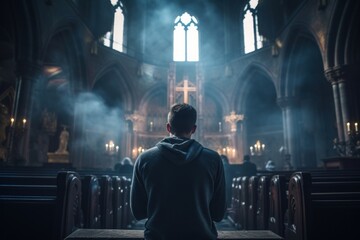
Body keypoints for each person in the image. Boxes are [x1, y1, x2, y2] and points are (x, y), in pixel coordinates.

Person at [131, 103, 226, 240]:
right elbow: (218, 213)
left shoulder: (144, 159)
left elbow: (138, 212)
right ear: (193, 129)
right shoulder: (213, 159)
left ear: (168, 127)